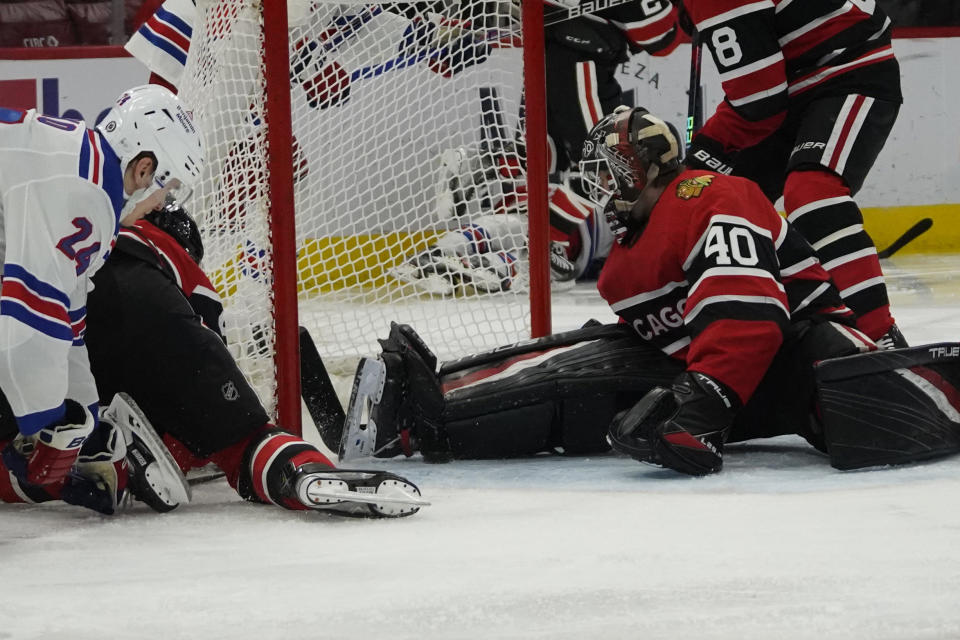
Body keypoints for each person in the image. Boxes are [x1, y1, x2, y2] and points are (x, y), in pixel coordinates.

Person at [338, 106, 960, 476]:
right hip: (727, 368)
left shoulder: (711, 196)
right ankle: (424, 413)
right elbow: (673, 335)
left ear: (649, 167)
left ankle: (427, 414)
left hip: (804, 357)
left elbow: (749, 313)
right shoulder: (630, 252)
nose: (603, 189)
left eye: (612, 173)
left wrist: (706, 398)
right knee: (585, 376)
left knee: (601, 380)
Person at [79, 201, 425, 518]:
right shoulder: (174, 260)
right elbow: (196, 364)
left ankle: (100, 454)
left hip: (69, 318)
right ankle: (302, 472)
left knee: (60, 428)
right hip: (145, 299)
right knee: (240, 438)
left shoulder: (88, 227)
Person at [0, 84, 203, 505]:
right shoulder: (86, 194)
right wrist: (46, 420)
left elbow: (67, 317)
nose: (161, 203)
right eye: (167, 187)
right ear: (143, 168)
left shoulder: (88, 170)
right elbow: (27, 326)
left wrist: (83, 412)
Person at [391, 0, 681, 293]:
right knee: (607, 165)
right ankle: (541, 246)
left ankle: (491, 175)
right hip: (582, 59)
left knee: (549, 160)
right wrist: (683, 14)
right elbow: (658, 36)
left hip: (546, 55)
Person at [678, 0, 904, 346]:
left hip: (847, 68)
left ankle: (879, 337)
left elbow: (759, 102)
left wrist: (703, 153)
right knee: (706, 202)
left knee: (813, 193)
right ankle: (692, 339)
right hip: (789, 86)